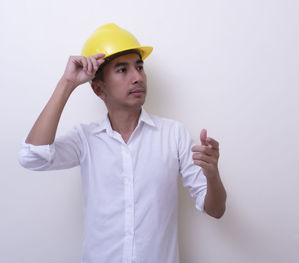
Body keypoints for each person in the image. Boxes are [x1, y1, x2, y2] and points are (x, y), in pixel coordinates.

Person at [18, 23, 226, 263]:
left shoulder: (174, 134)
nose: (137, 77)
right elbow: (31, 157)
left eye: (139, 67)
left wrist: (212, 175)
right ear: (98, 89)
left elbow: (216, 210)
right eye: (122, 69)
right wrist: (67, 83)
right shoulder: (85, 139)